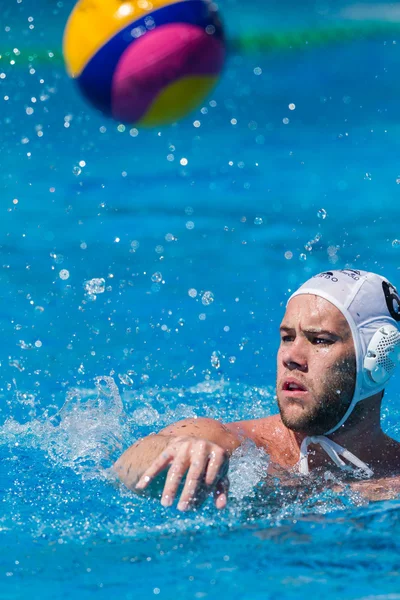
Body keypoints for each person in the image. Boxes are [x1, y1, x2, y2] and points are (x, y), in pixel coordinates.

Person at [113, 269, 400, 510]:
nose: (292, 356)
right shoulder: (239, 446)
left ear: (377, 360)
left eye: (320, 340)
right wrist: (176, 450)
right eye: (287, 337)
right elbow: (125, 467)